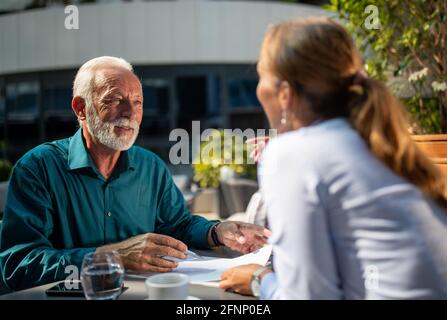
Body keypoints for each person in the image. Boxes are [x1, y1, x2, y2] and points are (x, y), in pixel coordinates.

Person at [219, 17, 447, 299]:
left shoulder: (292, 153)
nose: (257, 89)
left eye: (261, 75)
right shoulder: (381, 143)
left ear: (285, 94)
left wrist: (260, 280)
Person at [0, 56, 270, 291]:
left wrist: (216, 231)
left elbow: (178, 226)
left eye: (137, 102)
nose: (130, 113)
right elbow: (19, 264)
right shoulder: (38, 169)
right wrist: (112, 256)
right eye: (115, 100)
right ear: (81, 109)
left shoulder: (150, 166)